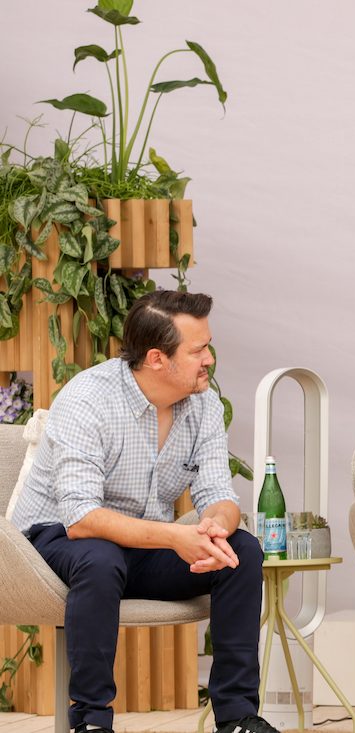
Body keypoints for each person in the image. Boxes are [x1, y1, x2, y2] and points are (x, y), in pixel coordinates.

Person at [9, 291, 275, 733]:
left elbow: (217, 492)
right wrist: (176, 537)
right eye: (197, 350)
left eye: (208, 345)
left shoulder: (204, 404)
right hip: (53, 540)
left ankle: (237, 719)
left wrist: (215, 529)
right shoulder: (88, 399)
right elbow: (82, 519)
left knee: (241, 551)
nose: (209, 358)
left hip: (141, 542)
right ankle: (91, 723)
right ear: (156, 358)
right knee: (99, 556)